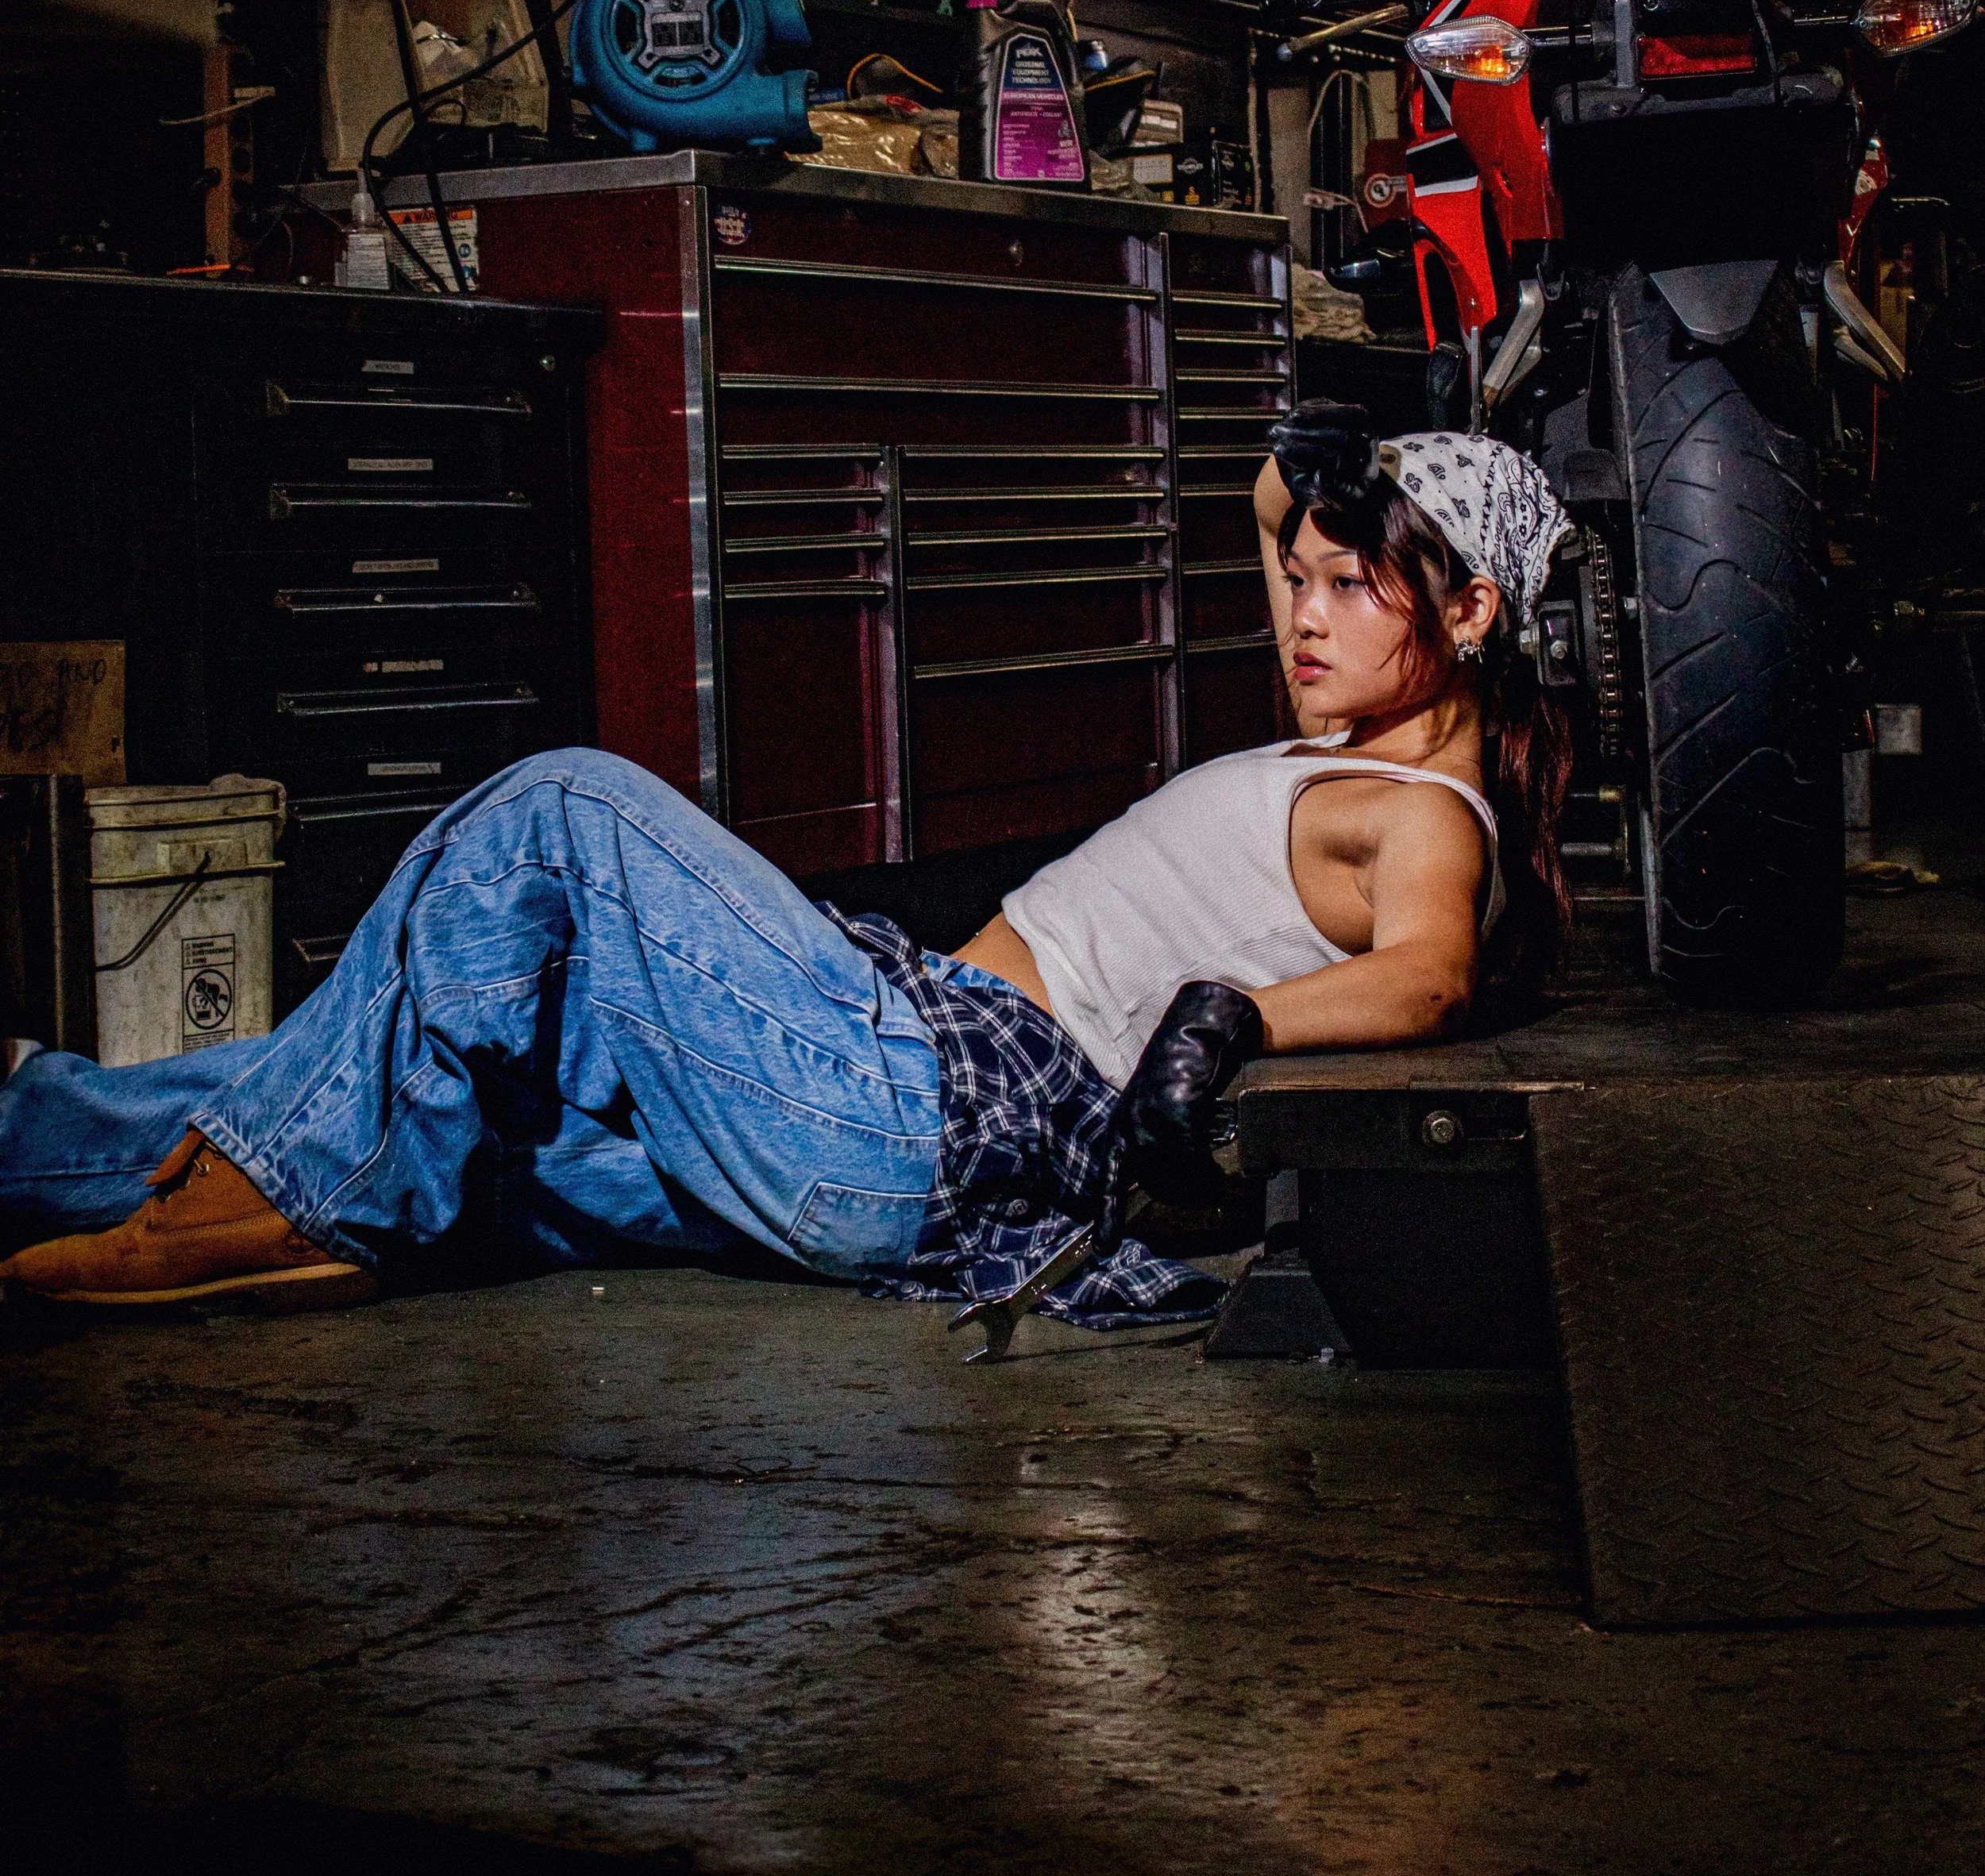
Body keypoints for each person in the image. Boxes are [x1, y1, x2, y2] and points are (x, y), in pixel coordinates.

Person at [0, 418, 1572, 1325]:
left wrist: (1226, 1021)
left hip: (911, 1096)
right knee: (480, 1129)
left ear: (1477, 612)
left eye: (1348, 588)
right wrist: (1334, 486)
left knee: (559, 810)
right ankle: (39, 1129)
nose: (1298, 613)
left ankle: (293, 1202)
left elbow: (1421, 967)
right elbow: (1268, 499)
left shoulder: (1421, 809)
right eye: (1293, 581)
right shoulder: (1351, 745)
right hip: (871, 1146)